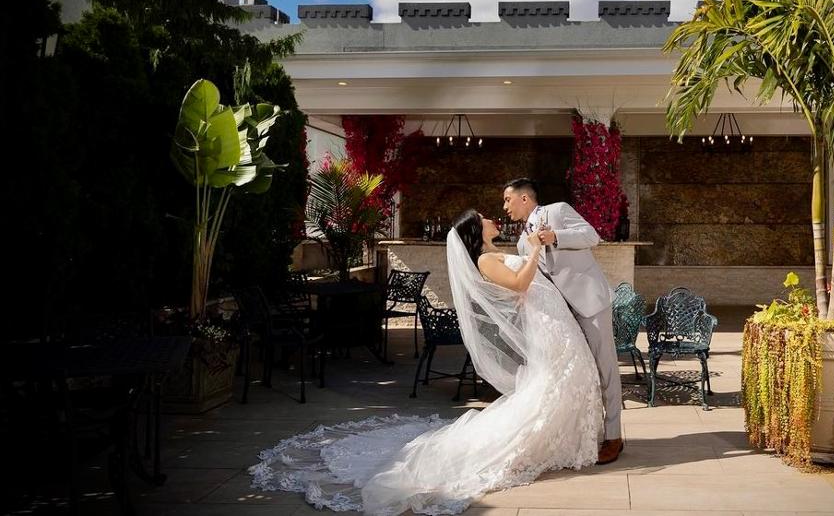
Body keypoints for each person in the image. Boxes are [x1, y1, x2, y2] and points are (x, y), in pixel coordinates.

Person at [249, 210, 603, 514]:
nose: (493, 219)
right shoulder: (483, 260)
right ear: (475, 231)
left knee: (562, 379)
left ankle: (563, 440)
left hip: (550, 320)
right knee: (557, 381)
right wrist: (537, 250)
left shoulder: (495, 252)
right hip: (548, 325)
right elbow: (520, 284)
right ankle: (541, 442)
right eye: (484, 219)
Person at [502, 177, 624, 464]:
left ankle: (615, 436)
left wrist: (555, 236)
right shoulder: (522, 243)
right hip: (563, 314)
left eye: (508, 199)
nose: (505, 206)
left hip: (590, 302)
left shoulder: (556, 211)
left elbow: (592, 236)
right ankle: (591, 432)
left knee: (606, 368)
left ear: (524, 199)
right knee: (582, 372)